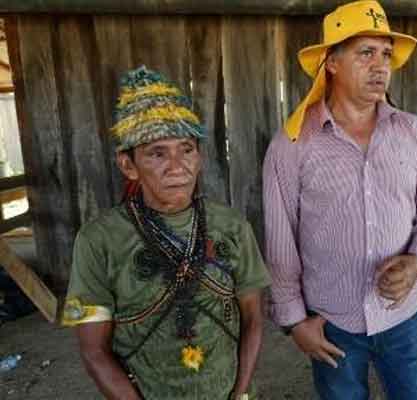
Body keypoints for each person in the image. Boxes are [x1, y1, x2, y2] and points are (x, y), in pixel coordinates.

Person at [263, 1, 417, 399]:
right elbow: (281, 239)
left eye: (386, 54)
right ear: (331, 63)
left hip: (403, 316)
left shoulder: (414, 133)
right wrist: (295, 321)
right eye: (366, 53)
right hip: (332, 323)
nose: (380, 66)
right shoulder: (293, 144)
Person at [62, 66, 270, 400]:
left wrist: (241, 392)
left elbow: (254, 319)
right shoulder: (98, 240)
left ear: (199, 157)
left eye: (186, 149)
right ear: (128, 165)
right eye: (157, 153)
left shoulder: (232, 227)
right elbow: (93, 351)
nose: (177, 166)